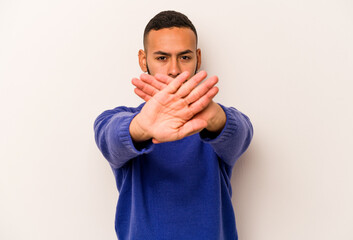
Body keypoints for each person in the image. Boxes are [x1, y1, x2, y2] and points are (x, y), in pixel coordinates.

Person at [94, 10, 253, 240]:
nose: (174, 70)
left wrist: (212, 116)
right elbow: (108, 137)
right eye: (161, 58)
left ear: (198, 58)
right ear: (143, 59)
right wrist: (141, 128)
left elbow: (241, 133)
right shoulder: (120, 120)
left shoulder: (216, 124)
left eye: (185, 57)